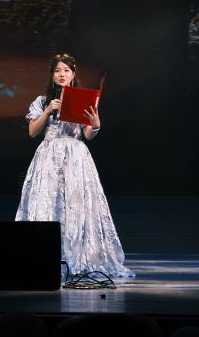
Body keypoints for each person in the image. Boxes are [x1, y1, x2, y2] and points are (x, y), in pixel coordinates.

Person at [15, 53, 133, 278]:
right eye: (58, 70)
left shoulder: (83, 99)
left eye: (66, 70)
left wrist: (96, 124)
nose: (62, 74)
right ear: (52, 74)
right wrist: (48, 110)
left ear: (73, 74)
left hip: (76, 157)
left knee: (75, 205)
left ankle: (75, 256)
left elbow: (87, 134)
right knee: (46, 205)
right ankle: (44, 256)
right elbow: (32, 132)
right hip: (48, 156)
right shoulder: (42, 101)